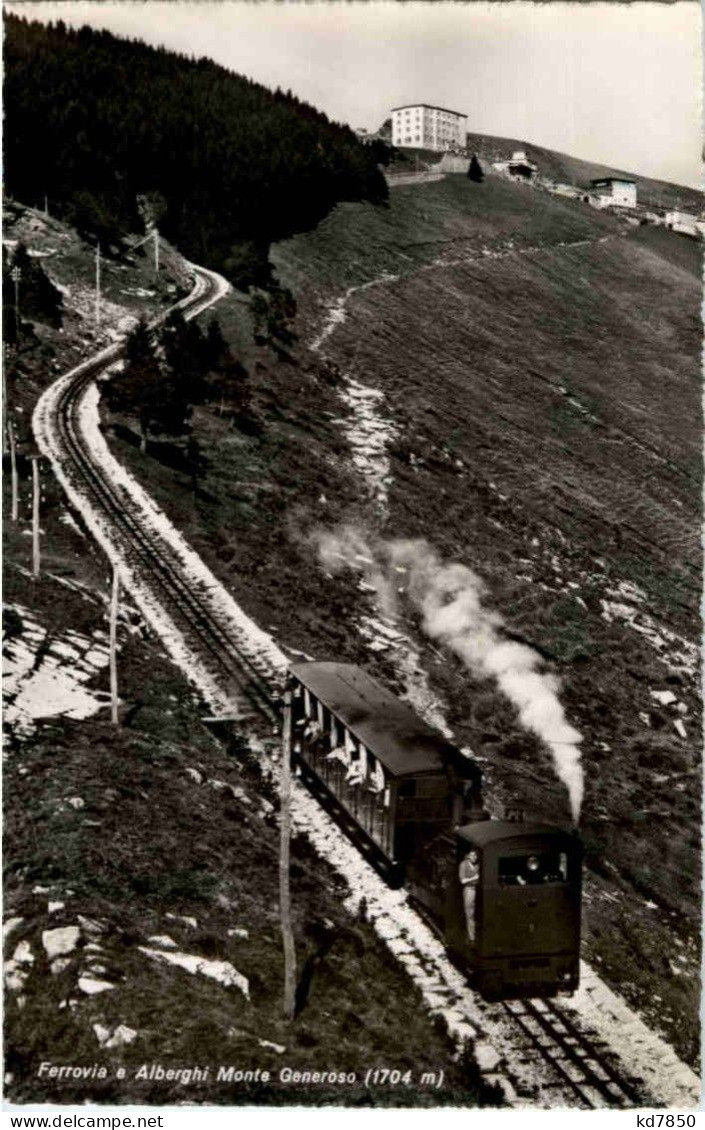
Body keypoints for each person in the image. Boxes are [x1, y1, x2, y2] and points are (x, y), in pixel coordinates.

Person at [459, 850, 480, 943]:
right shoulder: (463, 865)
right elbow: (462, 881)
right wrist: (474, 878)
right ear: (468, 856)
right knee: (469, 913)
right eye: (472, 855)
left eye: (475, 855)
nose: (474, 857)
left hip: (476, 888)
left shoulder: (477, 865)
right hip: (469, 889)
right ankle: (471, 937)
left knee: (474, 912)